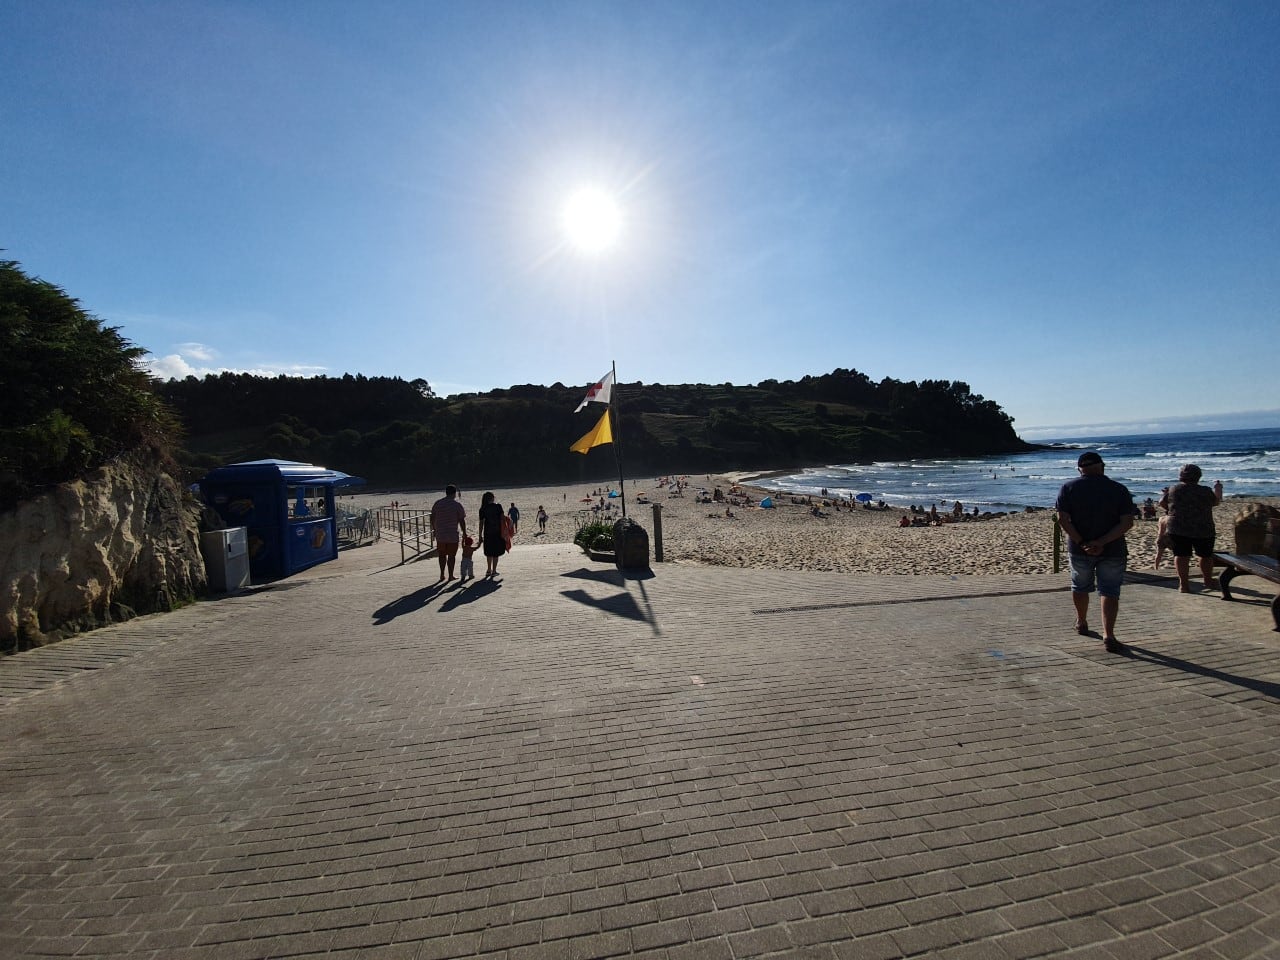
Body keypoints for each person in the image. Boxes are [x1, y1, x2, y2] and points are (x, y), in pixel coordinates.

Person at [1055, 451, 1135, 654]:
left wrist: (1082, 542)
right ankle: (1109, 634)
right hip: (1113, 548)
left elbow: (1063, 519)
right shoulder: (1118, 489)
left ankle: (1081, 621)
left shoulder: (1068, 488)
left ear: (1079, 469)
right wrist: (1102, 541)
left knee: (1080, 586)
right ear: (1102, 467)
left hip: (1079, 548)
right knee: (1110, 591)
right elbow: (1127, 522)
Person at [1164, 463, 1222, 592]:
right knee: (1205, 555)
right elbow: (1216, 502)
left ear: (1181, 476)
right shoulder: (1205, 490)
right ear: (1198, 476)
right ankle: (1208, 580)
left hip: (1178, 527)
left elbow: (1163, 502)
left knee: (1181, 555)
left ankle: (1183, 585)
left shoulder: (1174, 489)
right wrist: (1218, 489)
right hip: (1202, 527)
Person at [429, 484, 467, 581]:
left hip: (440, 534)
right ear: (454, 493)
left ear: (446, 492)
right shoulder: (457, 505)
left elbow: (432, 517)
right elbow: (462, 520)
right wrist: (464, 533)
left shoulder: (438, 503)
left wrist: (434, 529)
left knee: (441, 555)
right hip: (452, 535)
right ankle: (450, 576)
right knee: (451, 556)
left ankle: (442, 574)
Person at [478, 491, 506, 578]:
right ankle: (494, 571)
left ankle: (488, 570)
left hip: (487, 532)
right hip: (497, 532)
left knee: (489, 552)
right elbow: (502, 518)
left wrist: (480, 535)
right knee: (496, 552)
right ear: (492, 498)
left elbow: (481, 523)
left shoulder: (483, 508)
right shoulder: (498, 506)